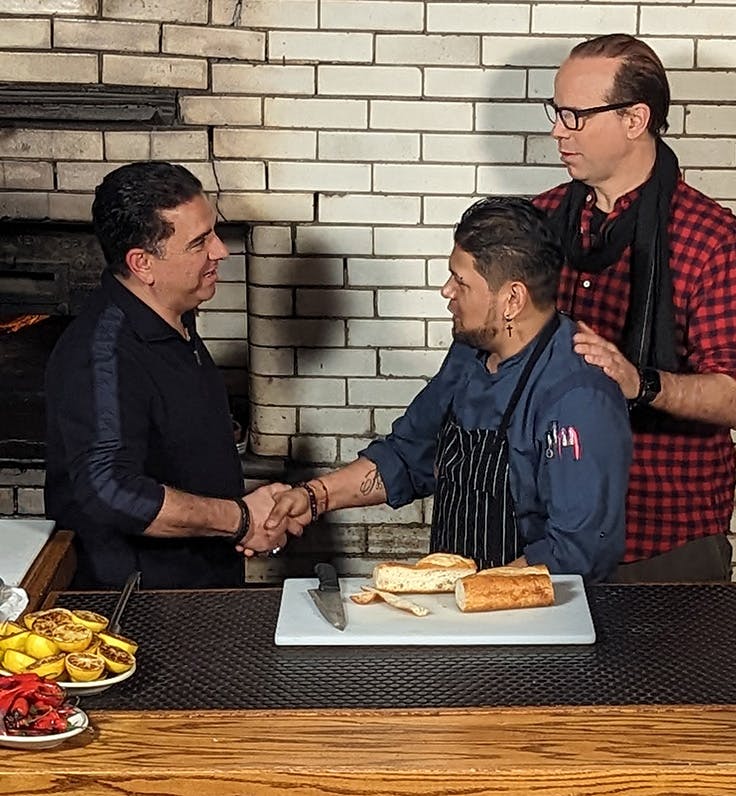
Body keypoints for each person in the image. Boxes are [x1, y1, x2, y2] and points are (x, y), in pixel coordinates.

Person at [258, 197, 632, 581]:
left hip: (530, 611)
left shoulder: (578, 397)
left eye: (461, 281)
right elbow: (408, 455)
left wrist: (471, 596)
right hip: (457, 600)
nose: (446, 290)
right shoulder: (469, 354)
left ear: (512, 299)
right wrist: (312, 497)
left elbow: (575, 552)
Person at [533, 34, 736, 582]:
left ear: (635, 119)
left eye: (575, 116)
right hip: (546, 527)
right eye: (556, 111)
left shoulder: (712, 240)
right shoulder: (537, 221)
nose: (558, 130)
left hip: (662, 535)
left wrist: (641, 382)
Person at [45, 162, 289, 590]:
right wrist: (240, 518)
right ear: (142, 264)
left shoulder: (173, 315)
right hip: (141, 603)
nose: (220, 251)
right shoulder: (102, 355)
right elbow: (110, 490)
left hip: (204, 581)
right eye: (199, 242)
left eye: (213, 233)